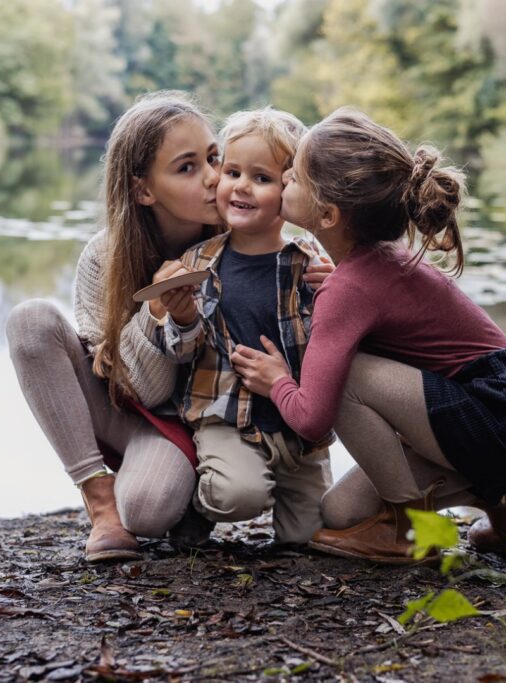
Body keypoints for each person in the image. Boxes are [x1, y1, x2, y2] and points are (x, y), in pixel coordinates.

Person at [231, 108, 506, 563]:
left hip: (495, 415)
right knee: (339, 512)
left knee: (347, 374)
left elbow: (312, 419)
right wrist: (343, 282)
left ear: (327, 215)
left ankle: (405, 528)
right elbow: (379, 304)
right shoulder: (375, 259)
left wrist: (277, 380)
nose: (283, 180)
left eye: (295, 177)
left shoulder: (350, 288)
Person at [5, 91, 225, 563]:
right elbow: (138, 391)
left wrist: (319, 278)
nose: (213, 178)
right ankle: (100, 500)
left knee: (147, 512)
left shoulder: (244, 243)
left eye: (214, 157)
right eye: (187, 168)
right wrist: (156, 314)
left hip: (192, 426)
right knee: (30, 321)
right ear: (143, 190)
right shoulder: (103, 259)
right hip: (127, 403)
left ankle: (187, 498)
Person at [153, 107, 333, 545]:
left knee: (307, 539)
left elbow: (332, 345)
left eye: (263, 178)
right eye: (232, 171)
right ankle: (202, 502)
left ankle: (277, 489)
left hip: (297, 427)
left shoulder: (310, 262)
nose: (241, 187)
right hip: (226, 415)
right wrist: (180, 316)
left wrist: (337, 288)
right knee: (238, 497)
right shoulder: (198, 263)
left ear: (291, 191)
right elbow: (180, 353)